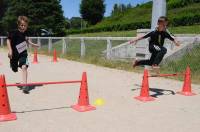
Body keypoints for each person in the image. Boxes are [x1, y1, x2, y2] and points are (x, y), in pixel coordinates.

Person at [7, 16, 39, 94]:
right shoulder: (13, 32)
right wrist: (10, 50)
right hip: (14, 54)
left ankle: (25, 85)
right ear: (18, 24)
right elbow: (8, 40)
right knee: (14, 69)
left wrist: (33, 44)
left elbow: (27, 40)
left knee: (24, 67)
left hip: (23, 53)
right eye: (22, 25)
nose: (23, 27)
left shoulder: (26, 33)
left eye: (25, 25)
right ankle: (13, 65)